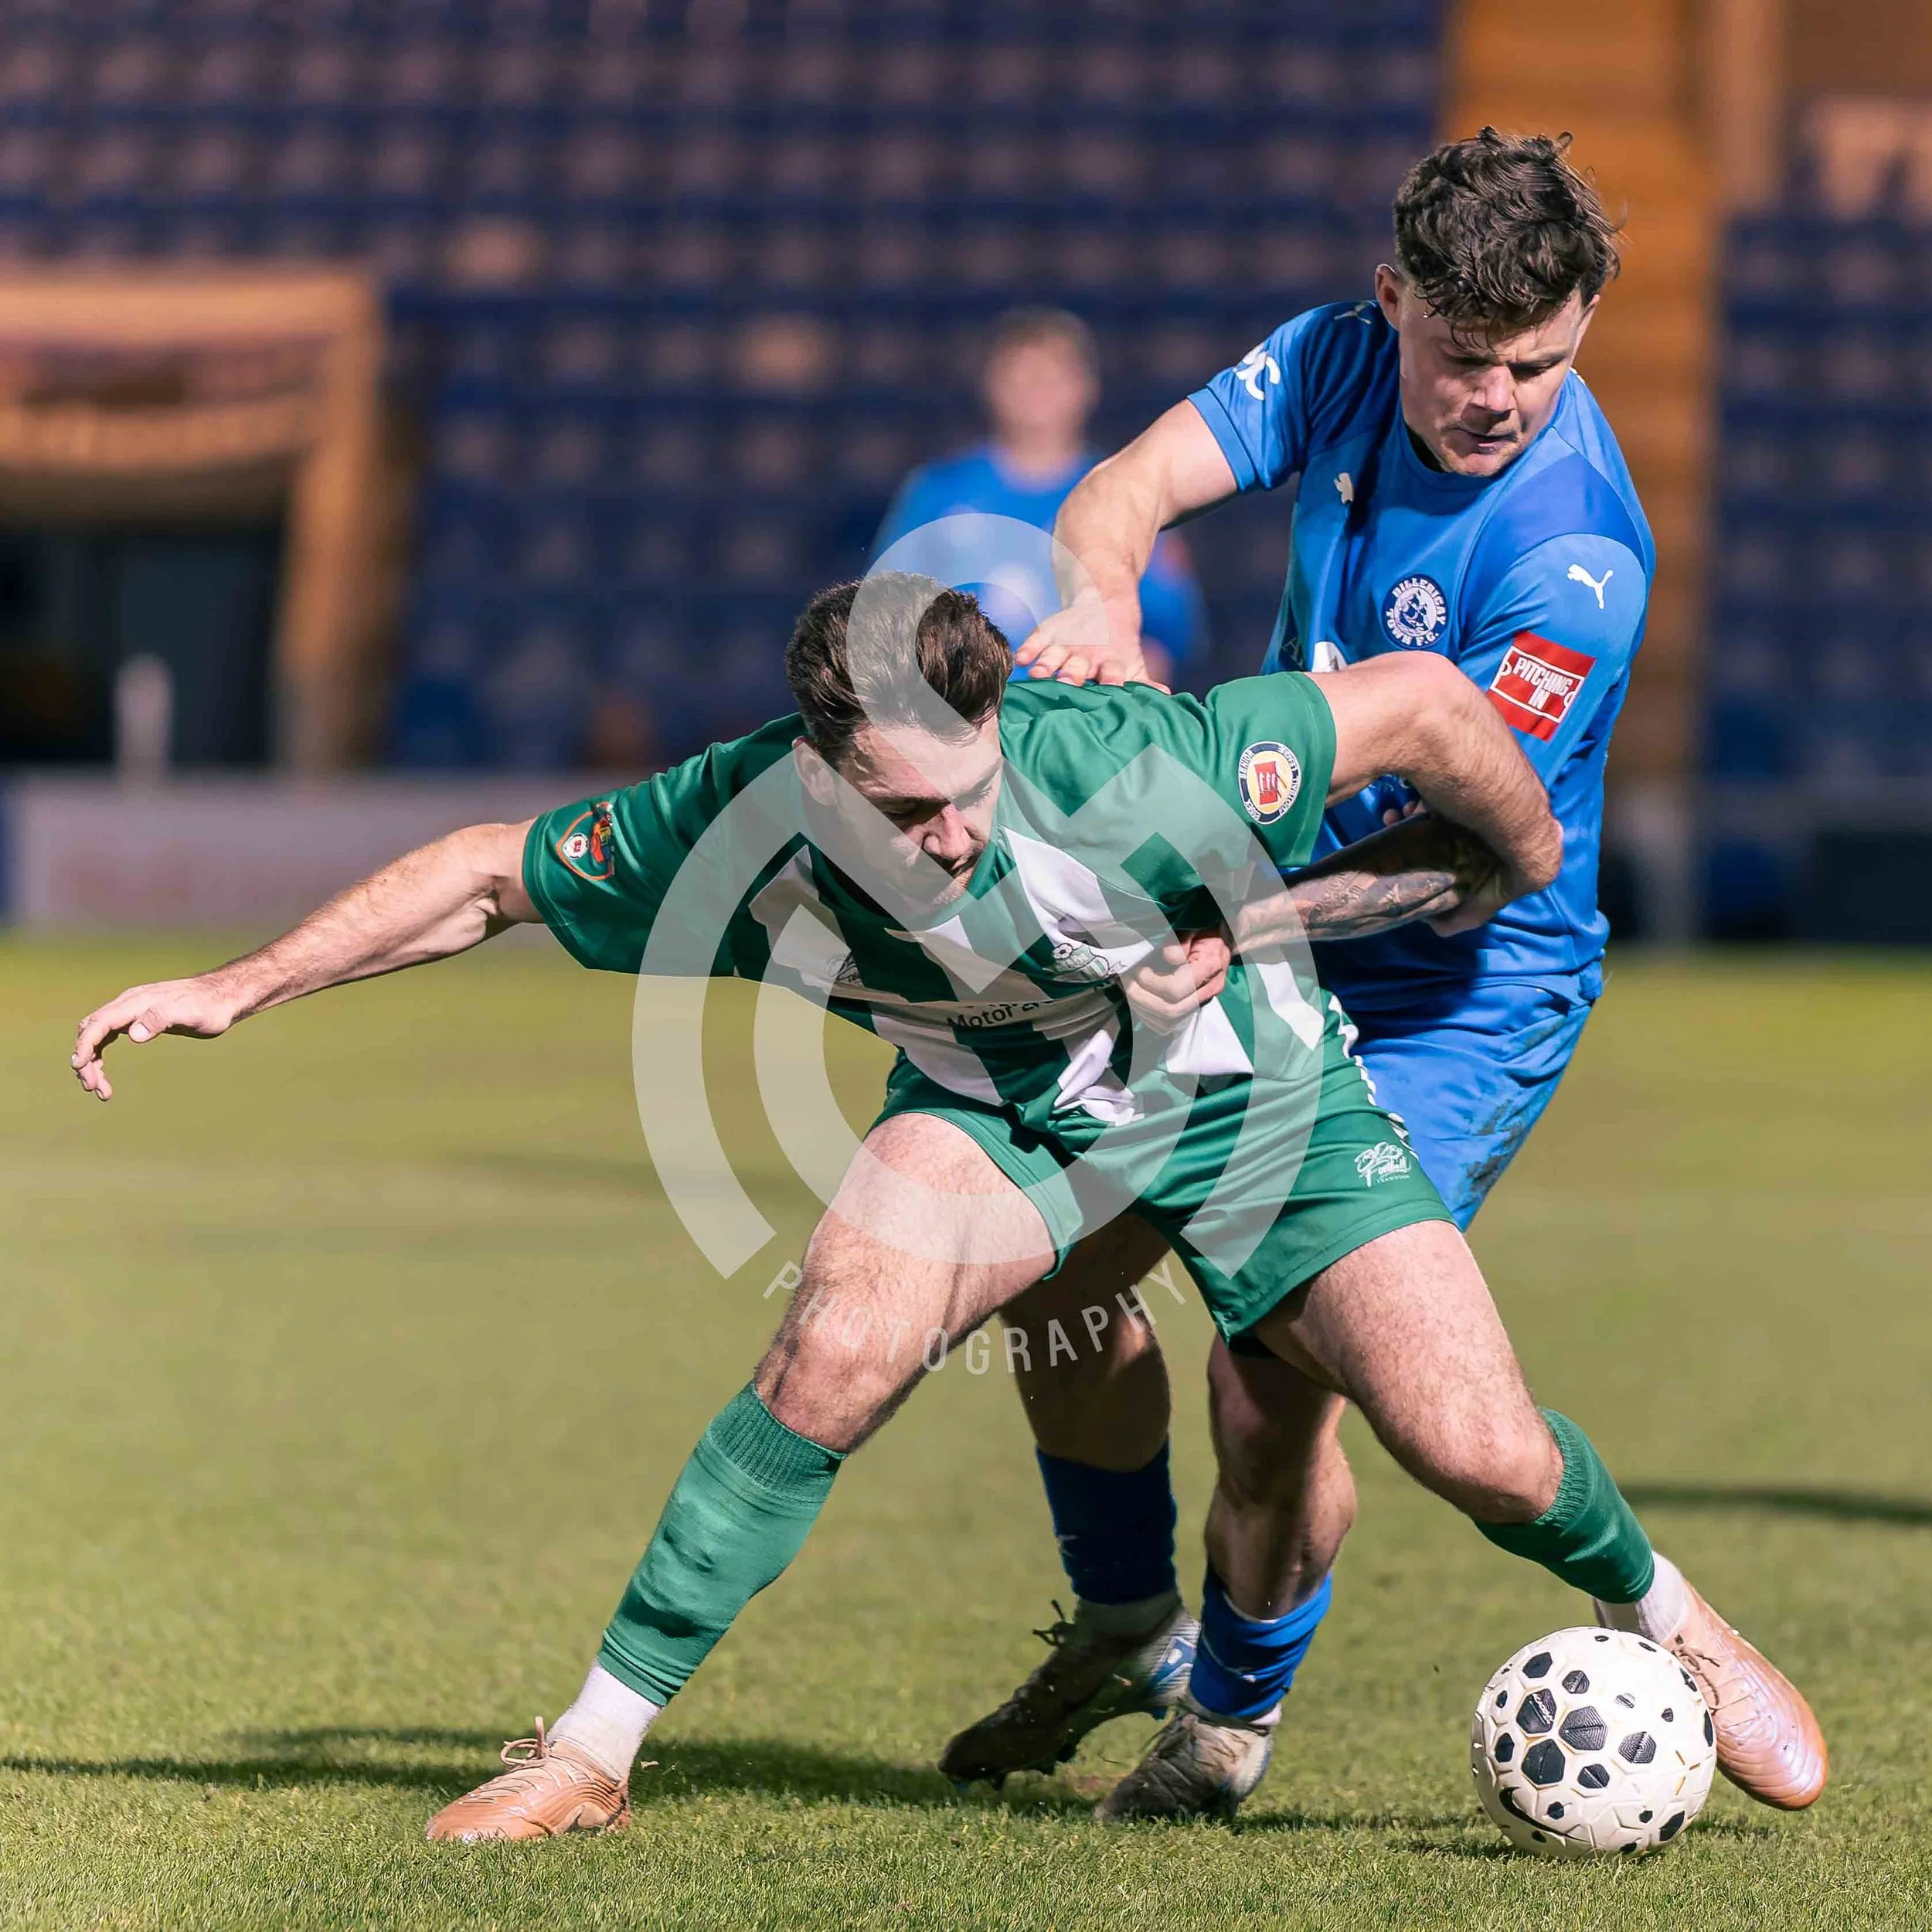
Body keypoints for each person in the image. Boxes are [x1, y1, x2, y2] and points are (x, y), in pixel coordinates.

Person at [69, 574, 1816, 1844]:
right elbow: (478, 877)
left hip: (1248, 1091)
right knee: (835, 1343)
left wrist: (1514, 864)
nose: (955, 841)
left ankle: (1677, 1619)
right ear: (821, 769)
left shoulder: (1150, 757)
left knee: (1477, 1447)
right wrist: (244, 984)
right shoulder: (737, 819)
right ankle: (592, 1750)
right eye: (909, 815)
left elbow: (1432, 710)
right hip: (1001, 1102)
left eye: (972, 795)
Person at [940, 128, 1830, 1820]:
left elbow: (1467, 857)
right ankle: (1126, 1611)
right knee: (1038, 1271)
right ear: (1386, 304)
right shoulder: (1334, 362)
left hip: (1457, 981)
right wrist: (1105, 599)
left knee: (1269, 1370)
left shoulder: (1574, 561)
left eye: (1538, 364)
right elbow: (1116, 489)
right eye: (1461, 355)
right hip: (1255, 916)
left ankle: (1226, 1729)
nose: (1495, 396)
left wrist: (1239, 927)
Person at [873, 308, 1208, 688]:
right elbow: (886, 621)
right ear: (991, 384)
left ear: (1087, 386)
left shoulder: (1128, 490)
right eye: (1021, 374)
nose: (1037, 388)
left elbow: (1162, 639)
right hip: (959, 715)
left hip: (1081, 713)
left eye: (1052, 375)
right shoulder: (935, 491)